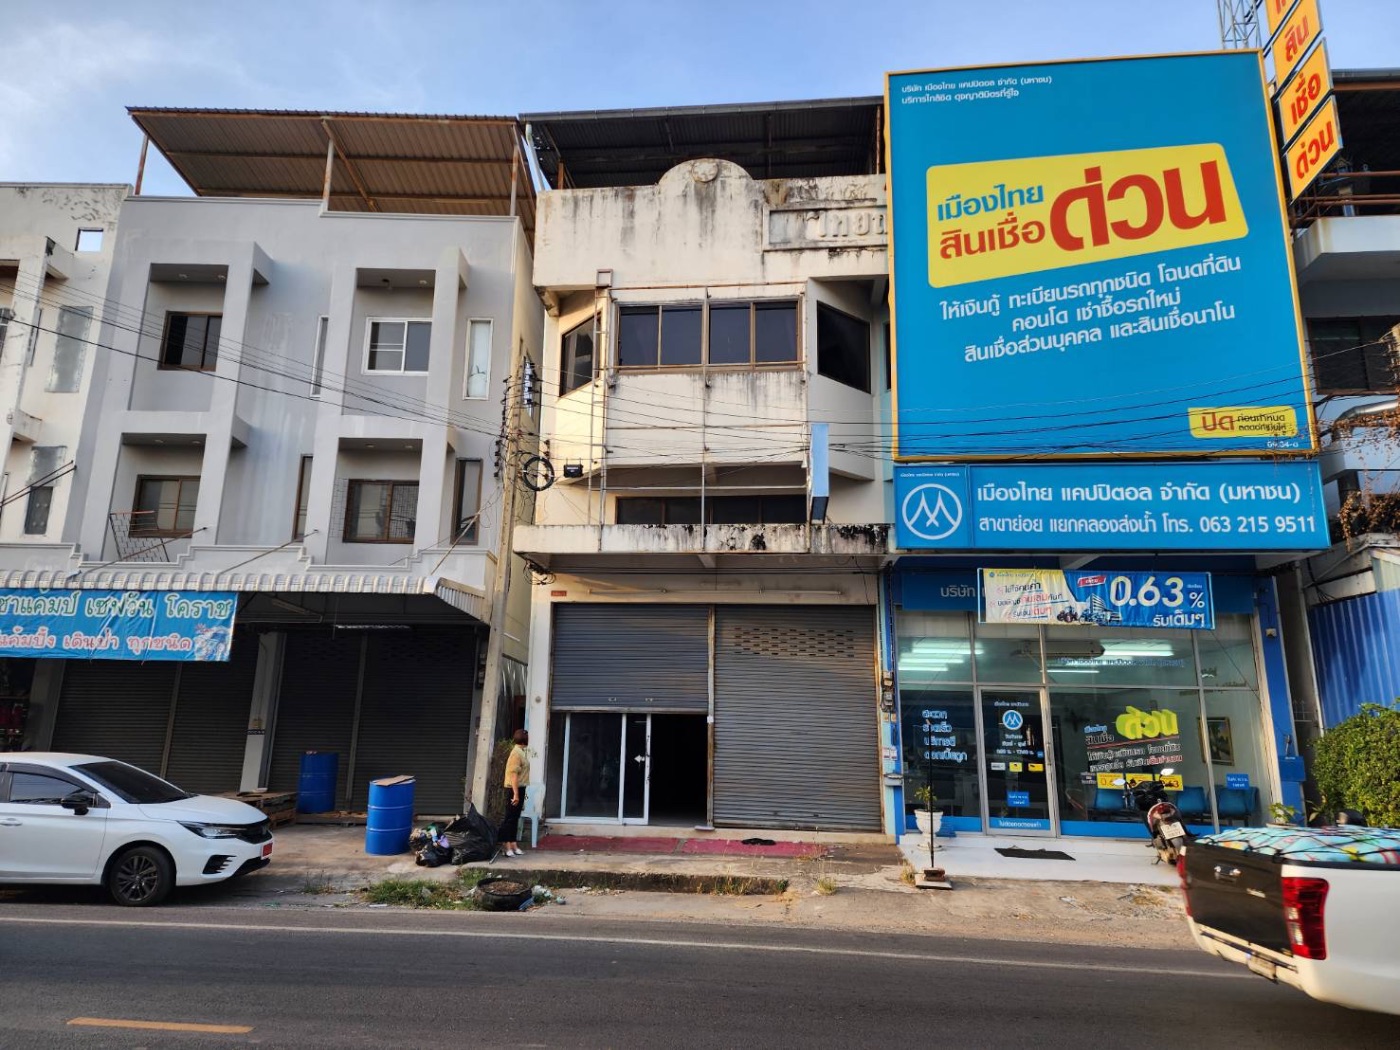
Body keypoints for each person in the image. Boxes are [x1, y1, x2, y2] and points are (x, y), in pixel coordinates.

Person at [497, 728, 530, 857]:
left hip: (520, 788)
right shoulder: (516, 753)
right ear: (524, 738)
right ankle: (506, 846)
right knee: (510, 818)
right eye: (527, 736)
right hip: (513, 788)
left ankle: (513, 844)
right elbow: (513, 775)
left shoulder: (520, 752)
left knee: (515, 818)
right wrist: (515, 794)